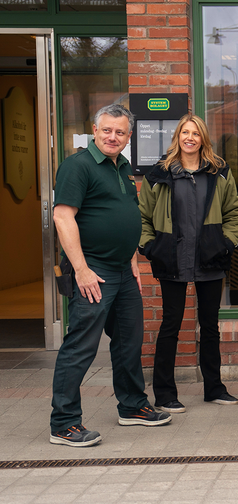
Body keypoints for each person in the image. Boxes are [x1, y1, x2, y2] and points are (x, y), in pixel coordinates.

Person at [49, 104, 171, 447]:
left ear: (128, 136)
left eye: (120, 132)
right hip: (93, 270)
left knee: (130, 341)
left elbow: (125, 213)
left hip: (122, 270)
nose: (112, 137)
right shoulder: (77, 166)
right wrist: (82, 269)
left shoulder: (123, 167)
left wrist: (131, 256)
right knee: (81, 346)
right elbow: (62, 217)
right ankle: (64, 423)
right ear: (94, 130)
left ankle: (132, 406)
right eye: (106, 130)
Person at [138, 114, 238, 413]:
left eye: (196, 133)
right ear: (178, 137)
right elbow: (142, 215)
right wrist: (149, 246)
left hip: (210, 258)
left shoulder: (218, 172)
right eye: (185, 132)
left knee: (210, 326)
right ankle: (164, 394)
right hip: (171, 258)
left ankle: (214, 388)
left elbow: (235, 212)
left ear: (203, 139)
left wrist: (226, 242)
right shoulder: (159, 174)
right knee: (170, 325)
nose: (190, 138)